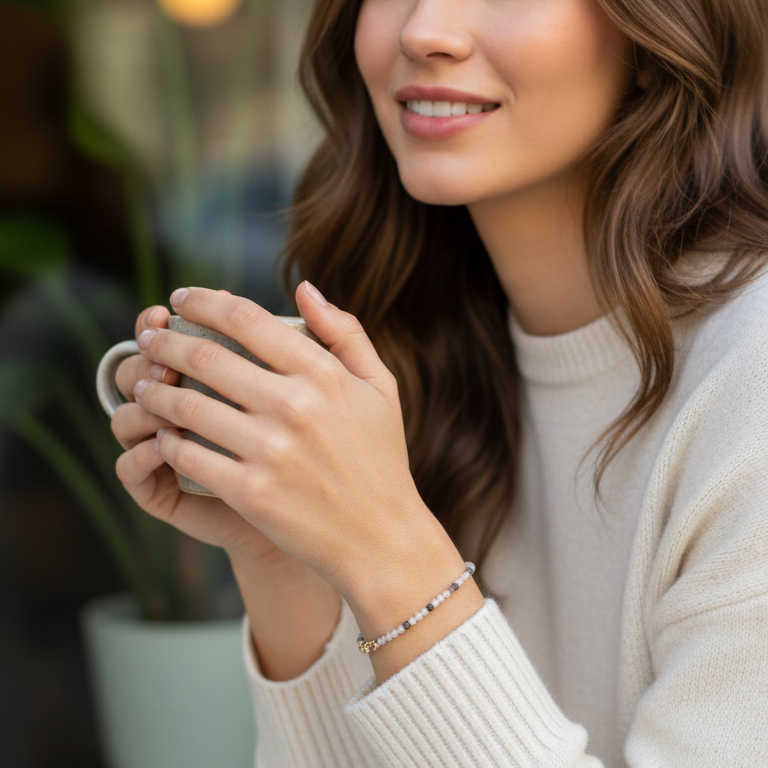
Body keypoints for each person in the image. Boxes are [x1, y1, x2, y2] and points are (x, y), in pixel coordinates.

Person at [109, 0, 768, 764]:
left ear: (660, 34)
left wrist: (389, 552)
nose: (424, 30)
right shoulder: (421, 341)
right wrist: (285, 556)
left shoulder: (747, 380)